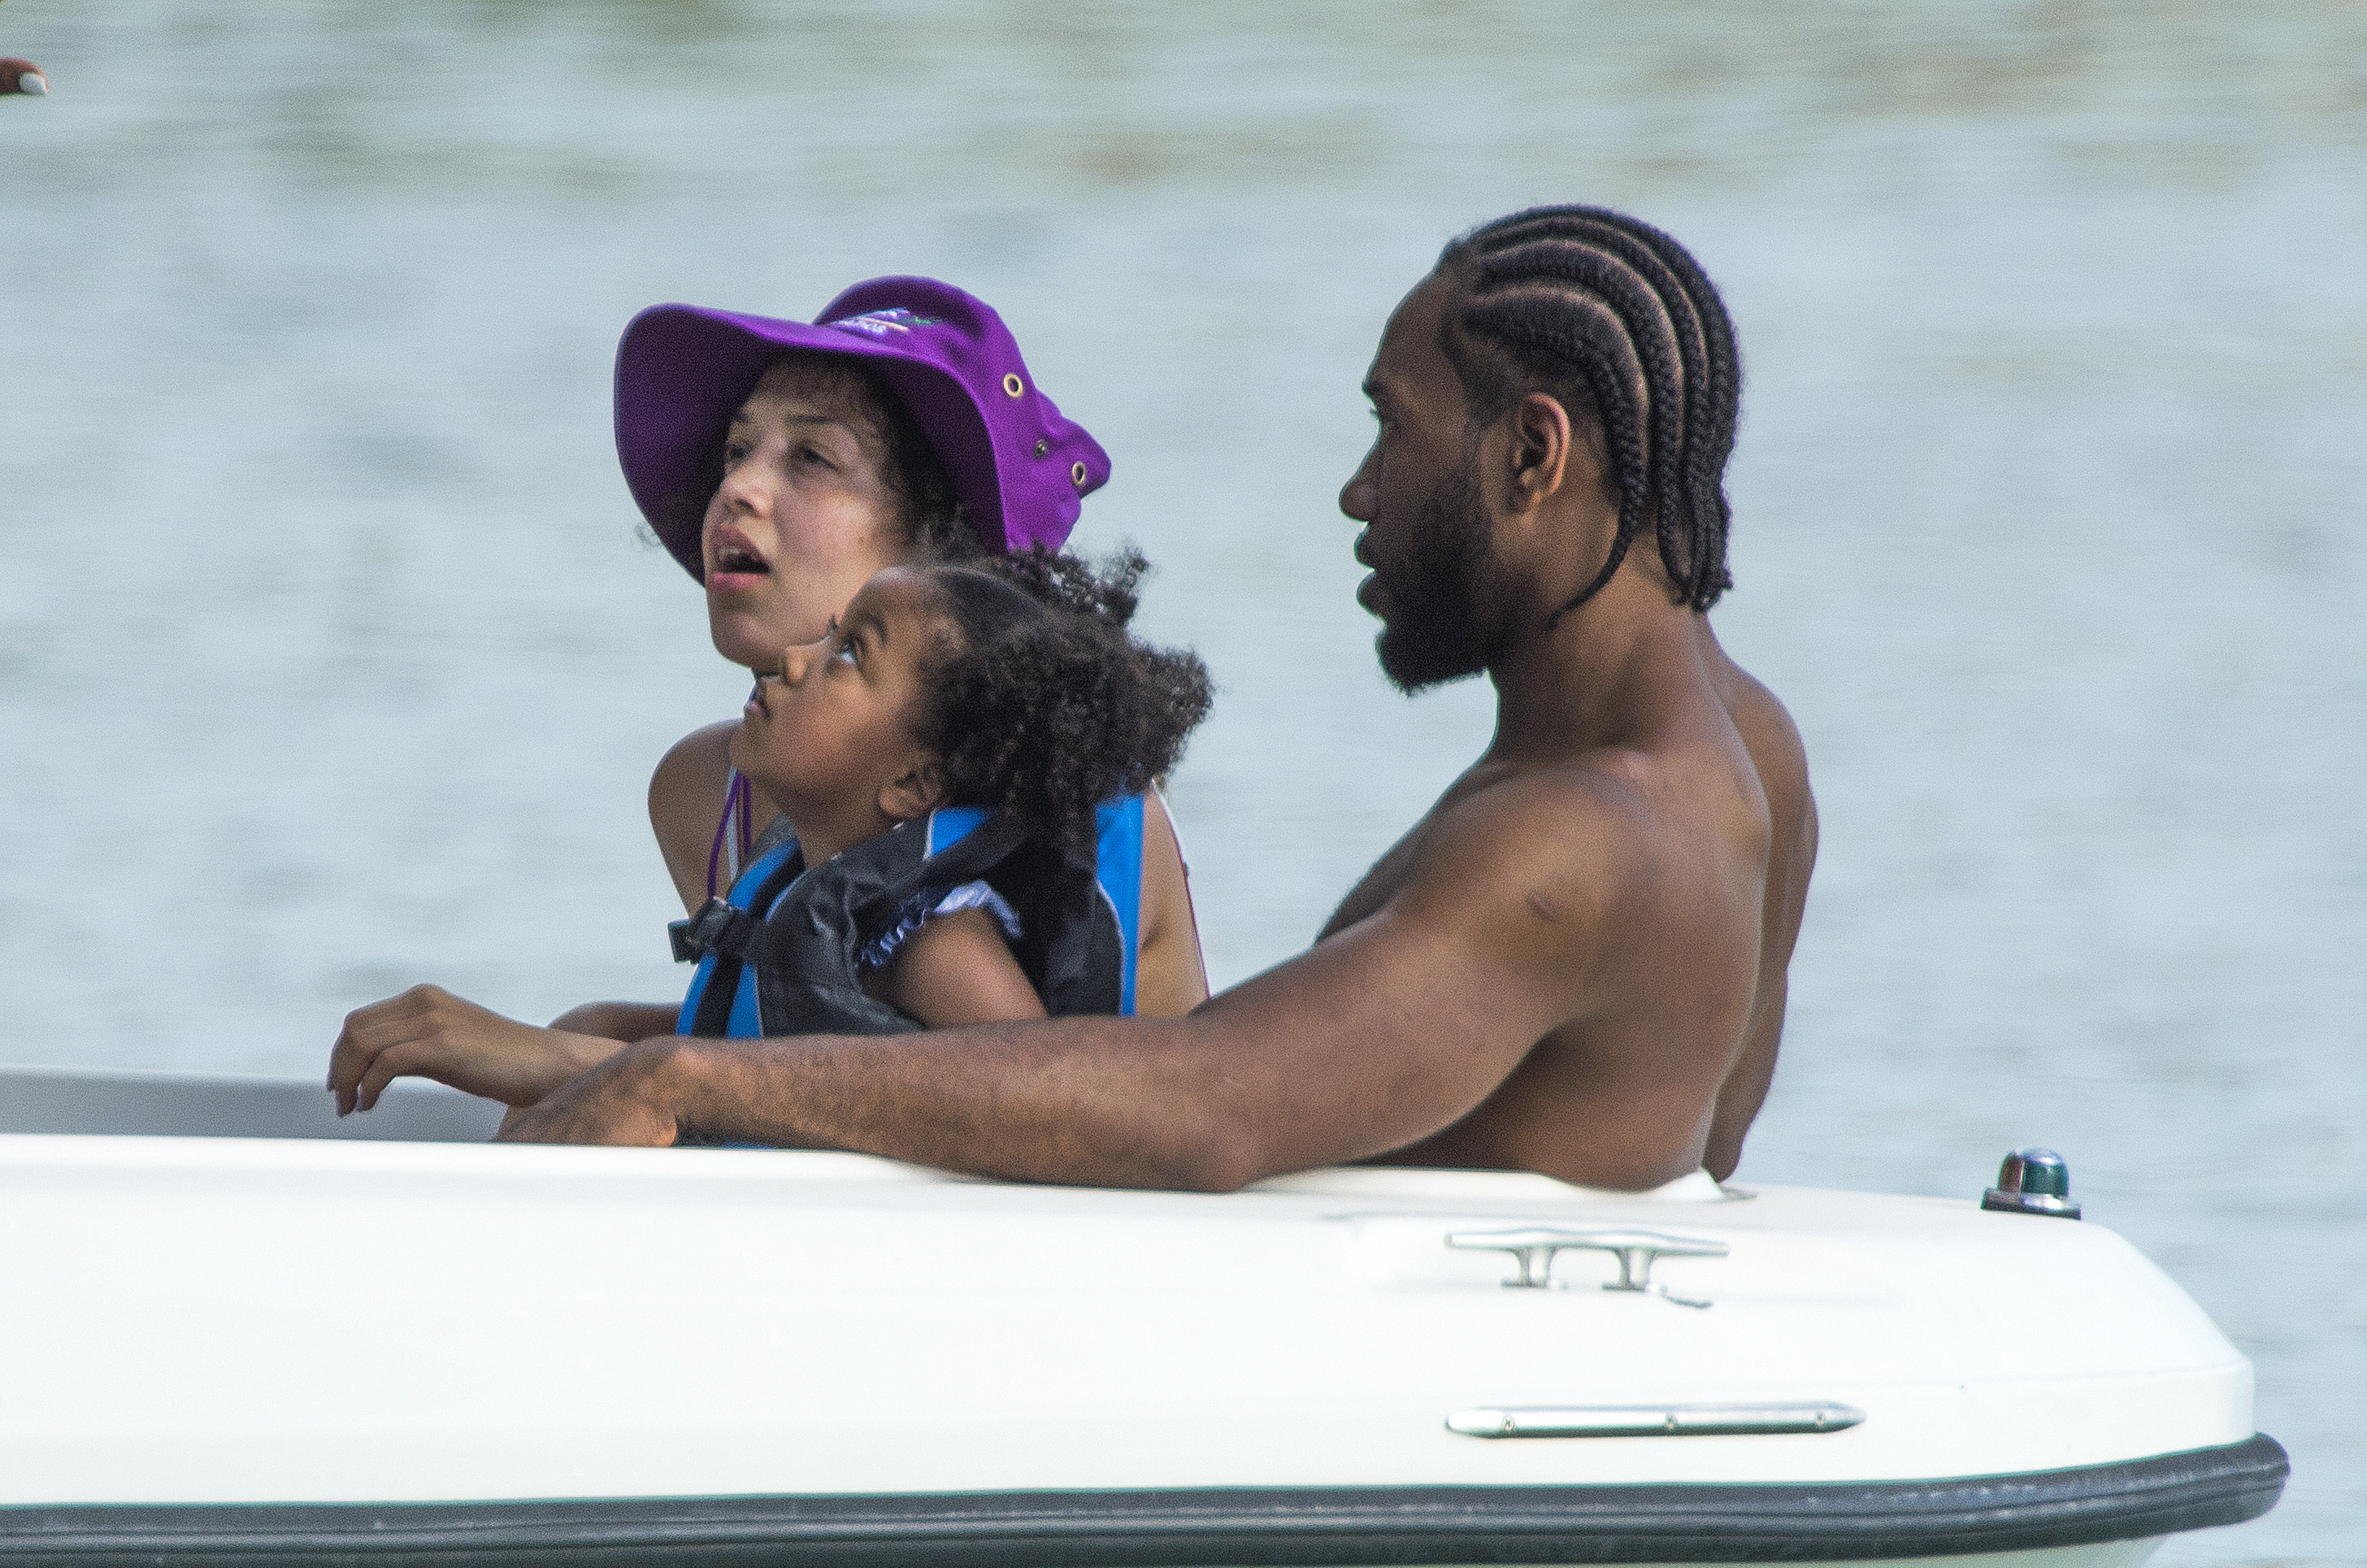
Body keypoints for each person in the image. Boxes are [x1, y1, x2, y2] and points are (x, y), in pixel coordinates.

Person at [501, 206, 1818, 1192]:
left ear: (1532, 453)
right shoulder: (1748, 751)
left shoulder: (1577, 843)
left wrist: (686, 1077)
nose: (1359, 490)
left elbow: (1207, 1107)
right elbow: (1713, 1151)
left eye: (1392, 429)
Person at [328, 278, 1206, 1103]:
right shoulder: (704, 793)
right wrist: (592, 1043)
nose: (736, 489)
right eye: (738, 450)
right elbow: (808, 1031)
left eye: (813, 458)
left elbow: (1029, 1101)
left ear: (942, 552)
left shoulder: (1066, 808)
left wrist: (590, 1063)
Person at [330, 546, 1209, 1113]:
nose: (795, 657)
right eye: (829, 634)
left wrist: (543, 1056)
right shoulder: (803, 880)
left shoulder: (934, 941)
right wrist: (584, 1035)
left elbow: (1041, 1099)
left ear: (914, 782)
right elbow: (763, 1040)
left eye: (849, 654)